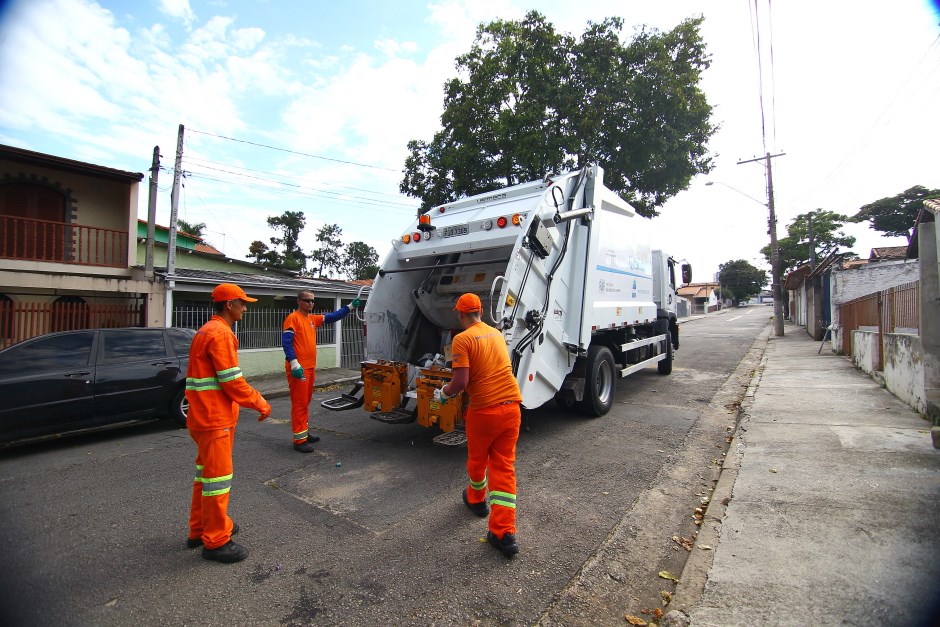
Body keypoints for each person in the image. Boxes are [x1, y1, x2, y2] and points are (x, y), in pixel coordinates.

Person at [185, 283, 271, 564]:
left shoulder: (206, 331)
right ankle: (217, 540)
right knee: (218, 481)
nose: (245, 308)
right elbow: (232, 380)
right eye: (242, 303)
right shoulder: (220, 333)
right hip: (215, 419)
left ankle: (199, 529)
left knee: (206, 478)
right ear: (229, 305)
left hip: (204, 417)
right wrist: (259, 402)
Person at [434, 292, 523, 558]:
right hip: (512, 407)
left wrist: (443, 393)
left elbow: (460, 383)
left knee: (477, 461)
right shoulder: (496, 334)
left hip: (485, 411)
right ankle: (504, 533)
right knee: (504, 467)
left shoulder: (461, 339)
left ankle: (476, 499)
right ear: (480, 311)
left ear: (460, 314)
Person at [282, 290, 361, 453]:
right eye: (306, 300)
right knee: (299, 403)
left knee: (305, 402)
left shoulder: (311, 319)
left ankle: (303, 432)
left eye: (312, 301)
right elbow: (286, 343)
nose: (310, 303)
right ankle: (299, 440)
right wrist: (294, 363)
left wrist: (350, 307)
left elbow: (333, 317)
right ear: (298, 301)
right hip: (299, 369)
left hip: (310, 368)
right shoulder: (293, 319)